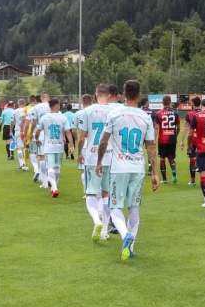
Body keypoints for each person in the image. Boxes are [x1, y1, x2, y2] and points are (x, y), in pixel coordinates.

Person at [96, 80, 160, 261]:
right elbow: (151, 147)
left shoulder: (115, 114)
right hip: (138, 167)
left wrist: (99, 161)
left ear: (123, 94)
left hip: (119, 167)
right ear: (139, 95)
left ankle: (125, 235)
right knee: (134, 208)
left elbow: (103, 141)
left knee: (115, 206)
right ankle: (130, 248)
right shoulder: (145, 117)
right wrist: (154, 172)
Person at [77, 86, 113, 242]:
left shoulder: (87, 111)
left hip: (92, 156)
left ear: (96, 95)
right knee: (106, 194)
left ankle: (96, 221)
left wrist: (79, 153)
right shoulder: (114, 111)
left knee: (91, 193)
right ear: (110, 96)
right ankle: (105, 231)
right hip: (110, 157)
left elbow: (81, 137)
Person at [35, 98, 73, 198]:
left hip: (49, 146)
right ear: (58, 106)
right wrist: (72, 145)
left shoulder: (44, 118)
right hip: (59, 146)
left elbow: (37, 131)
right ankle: (53, 187)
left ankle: (54, 188)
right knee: (57, 168)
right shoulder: (63, 118)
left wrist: (37, 139)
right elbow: (68, 132)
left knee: (50, 167)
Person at [153, 95, 180, 184]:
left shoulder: (159, 113)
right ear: (170, 102)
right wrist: (176, 135)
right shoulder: (175, 113)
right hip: (172, 138)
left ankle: (164, 179)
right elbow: (178, 127)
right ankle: (173, 171)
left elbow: (156, 128)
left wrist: (154, 139)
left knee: (162, 158)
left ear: (162, 102)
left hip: (162, 139)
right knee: (171, 158)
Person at [182, 96, 202, 185]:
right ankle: (204, 180)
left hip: (193, 140)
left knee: (192, 160)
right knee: (204, 160)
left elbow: (186, 128)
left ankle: (193, 180)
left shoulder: (189, 114)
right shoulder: (203, 113)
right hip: (203, 140)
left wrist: (182, 140)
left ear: (193, 104)